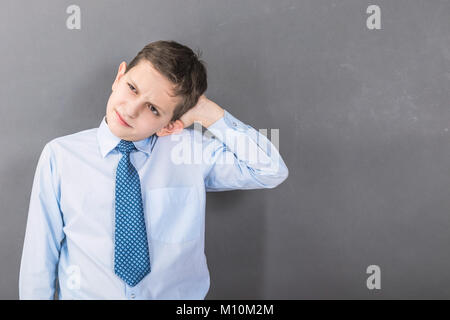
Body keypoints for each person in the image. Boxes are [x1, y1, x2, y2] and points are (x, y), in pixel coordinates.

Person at [19, 40, 289, 299]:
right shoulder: (61, 156)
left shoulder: (189, 152)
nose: (131, 109)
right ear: (119, 76)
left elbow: (269, 169)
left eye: (153, 108)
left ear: (170, 124)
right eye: (132, 88)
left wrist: (207, 113)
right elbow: (39, 258)